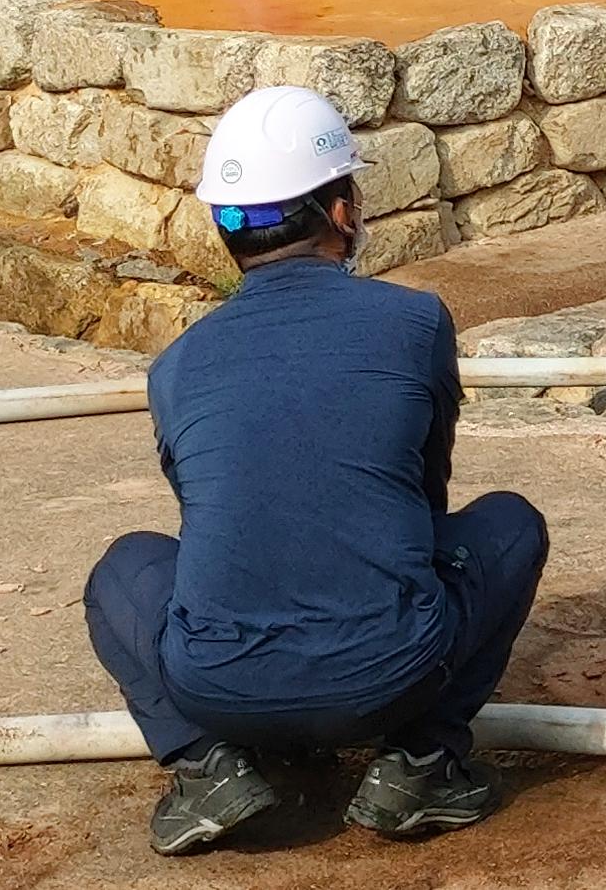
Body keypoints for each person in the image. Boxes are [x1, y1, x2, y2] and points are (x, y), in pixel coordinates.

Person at [81, 85, 546, 855]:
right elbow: (423, 496)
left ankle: (207, 765)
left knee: (122, 570)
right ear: (340, 211)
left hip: (218, 688)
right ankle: (420, 763)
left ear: (225, 227)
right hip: (391, 676)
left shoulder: (176, 366)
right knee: (511, 526)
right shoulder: (414, 321)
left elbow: (219, 519)